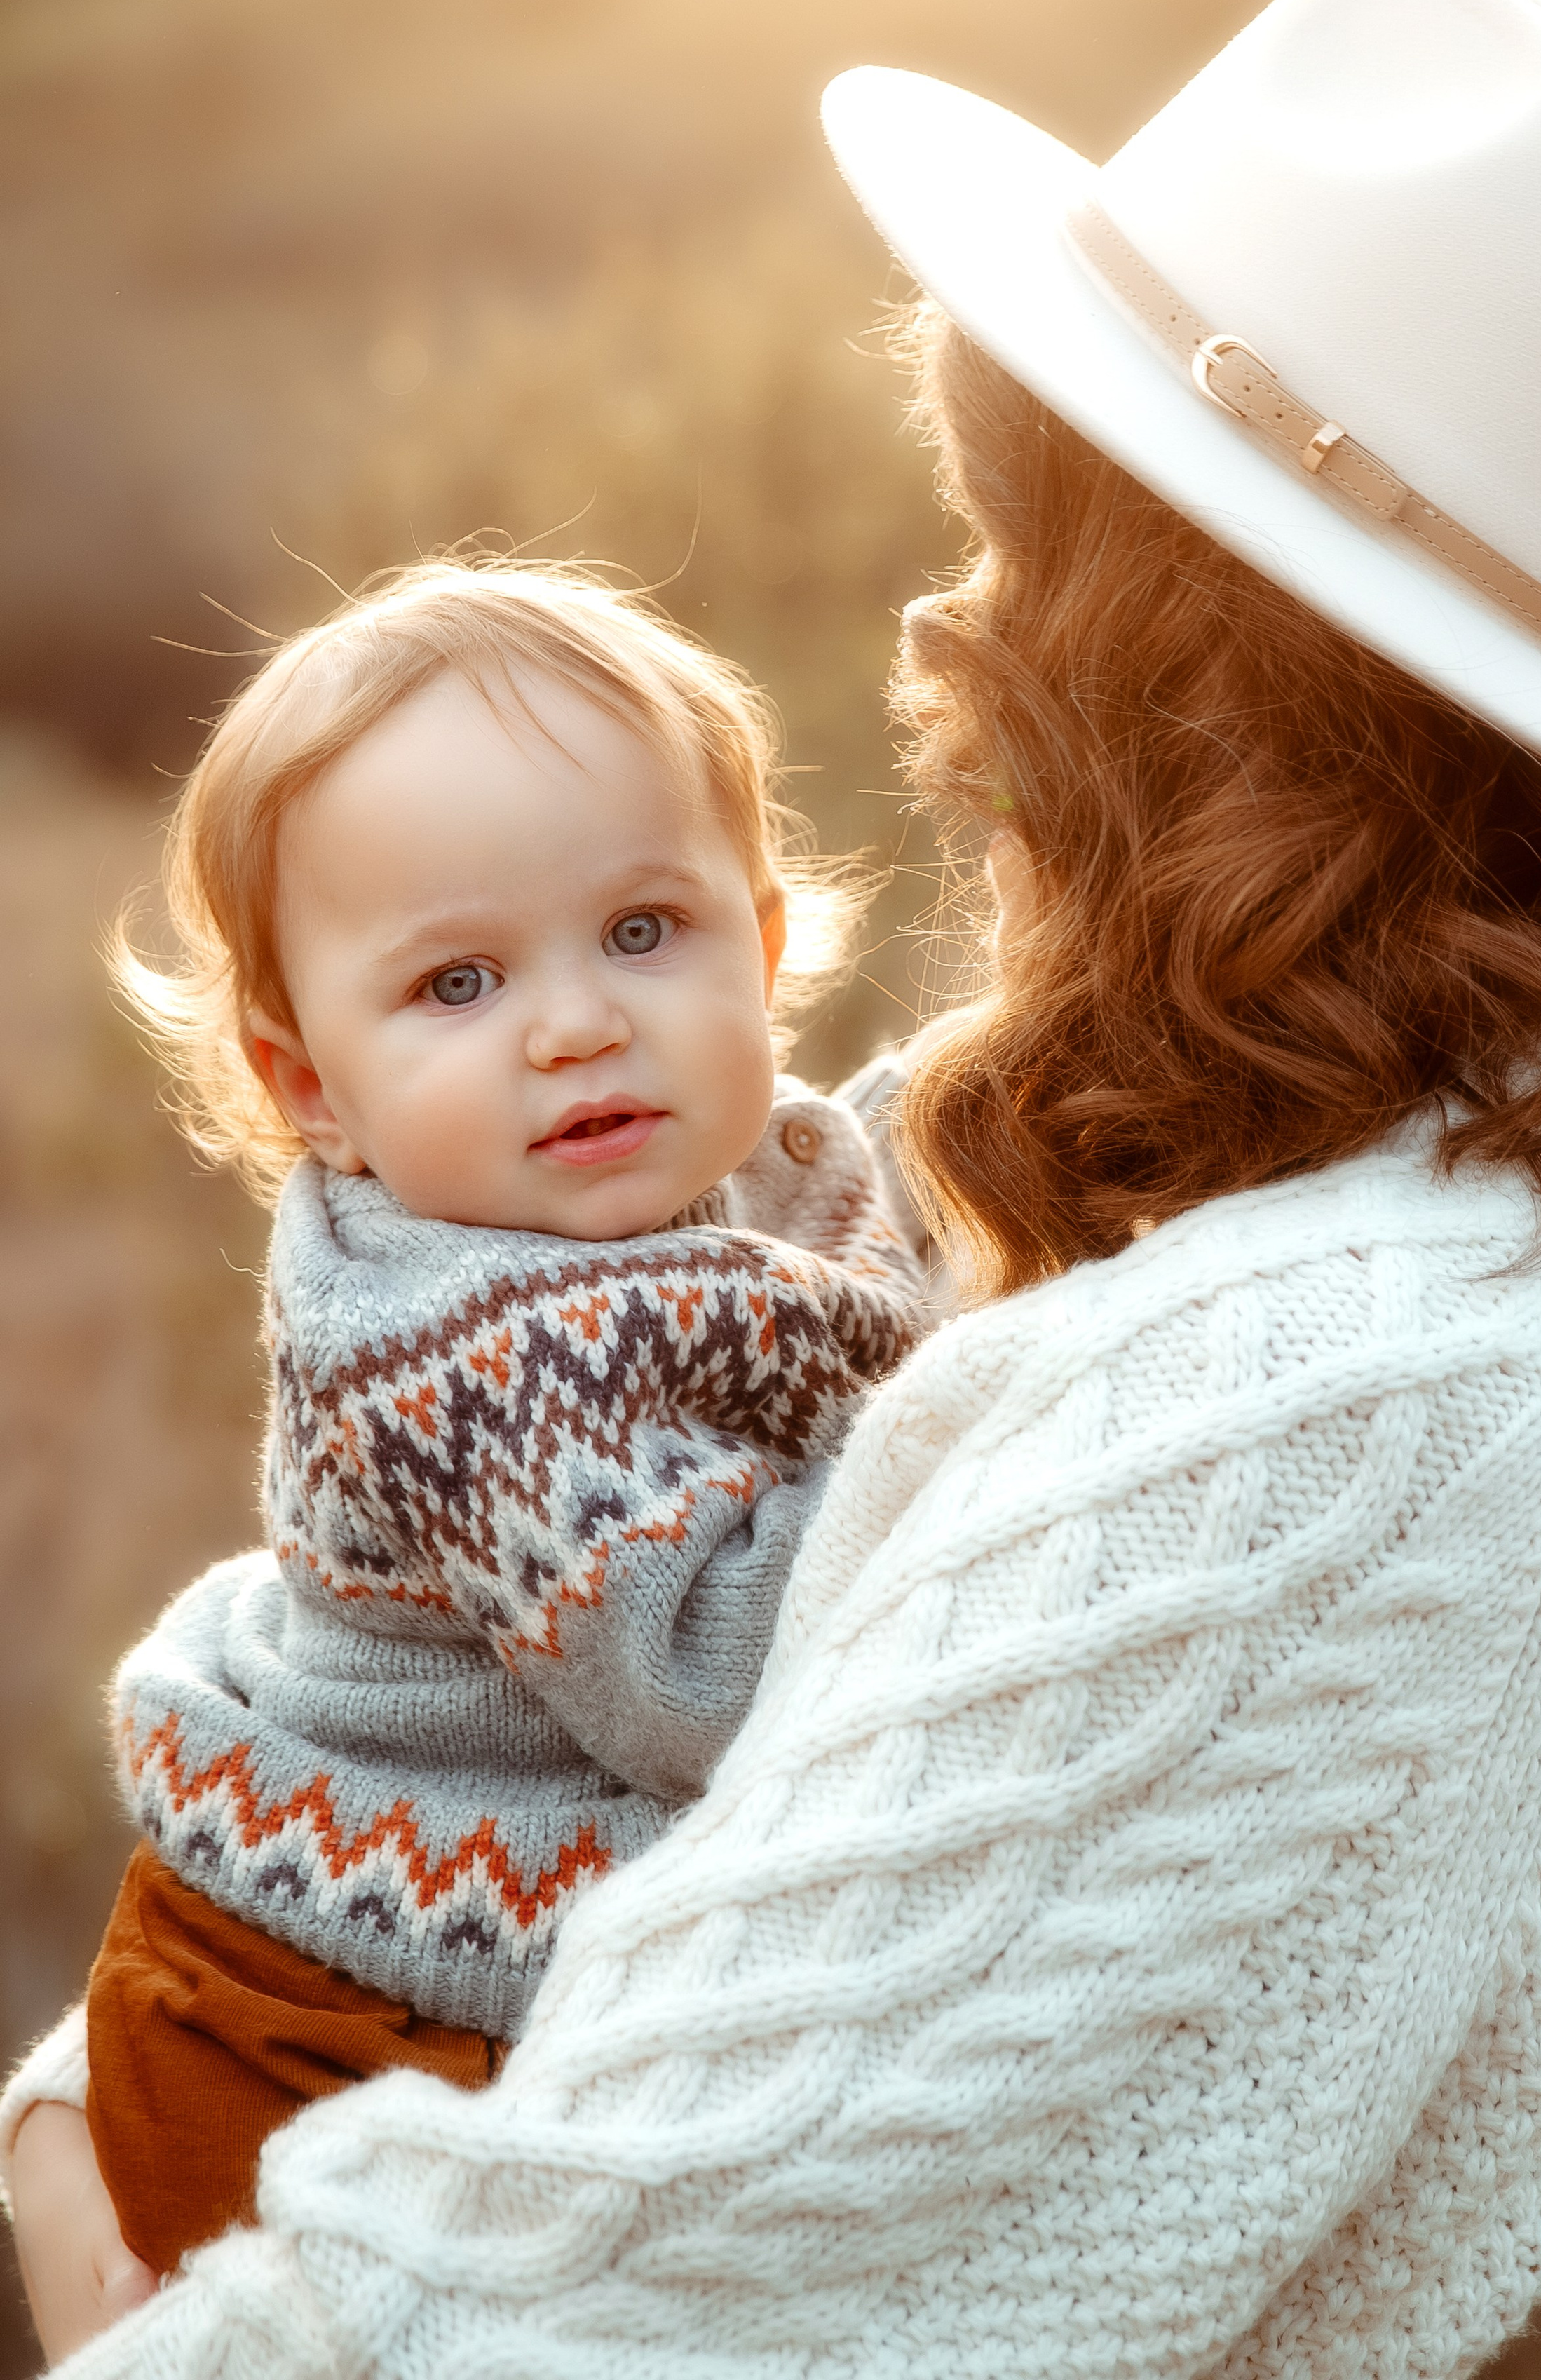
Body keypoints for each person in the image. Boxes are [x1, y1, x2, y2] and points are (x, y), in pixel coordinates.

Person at [11, 0, 1541, 2377]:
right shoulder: (1412, 1162)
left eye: (1016, 550)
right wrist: (87, 2098)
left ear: (1200, 658)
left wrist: (87, 2215)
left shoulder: (1380, 1386)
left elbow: (586, 2282)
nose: (955, 641)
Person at [5, 567, 926, 2302]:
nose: (576, 1022)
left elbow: (858, 1268)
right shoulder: (456, 1356)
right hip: (334, 2019)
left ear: (762, 946)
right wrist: (976, 1421)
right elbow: (706, 1684)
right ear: (311, 1089)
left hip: (420, 1968)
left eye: (642, 931)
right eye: (457, 982)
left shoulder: (703, 1169)